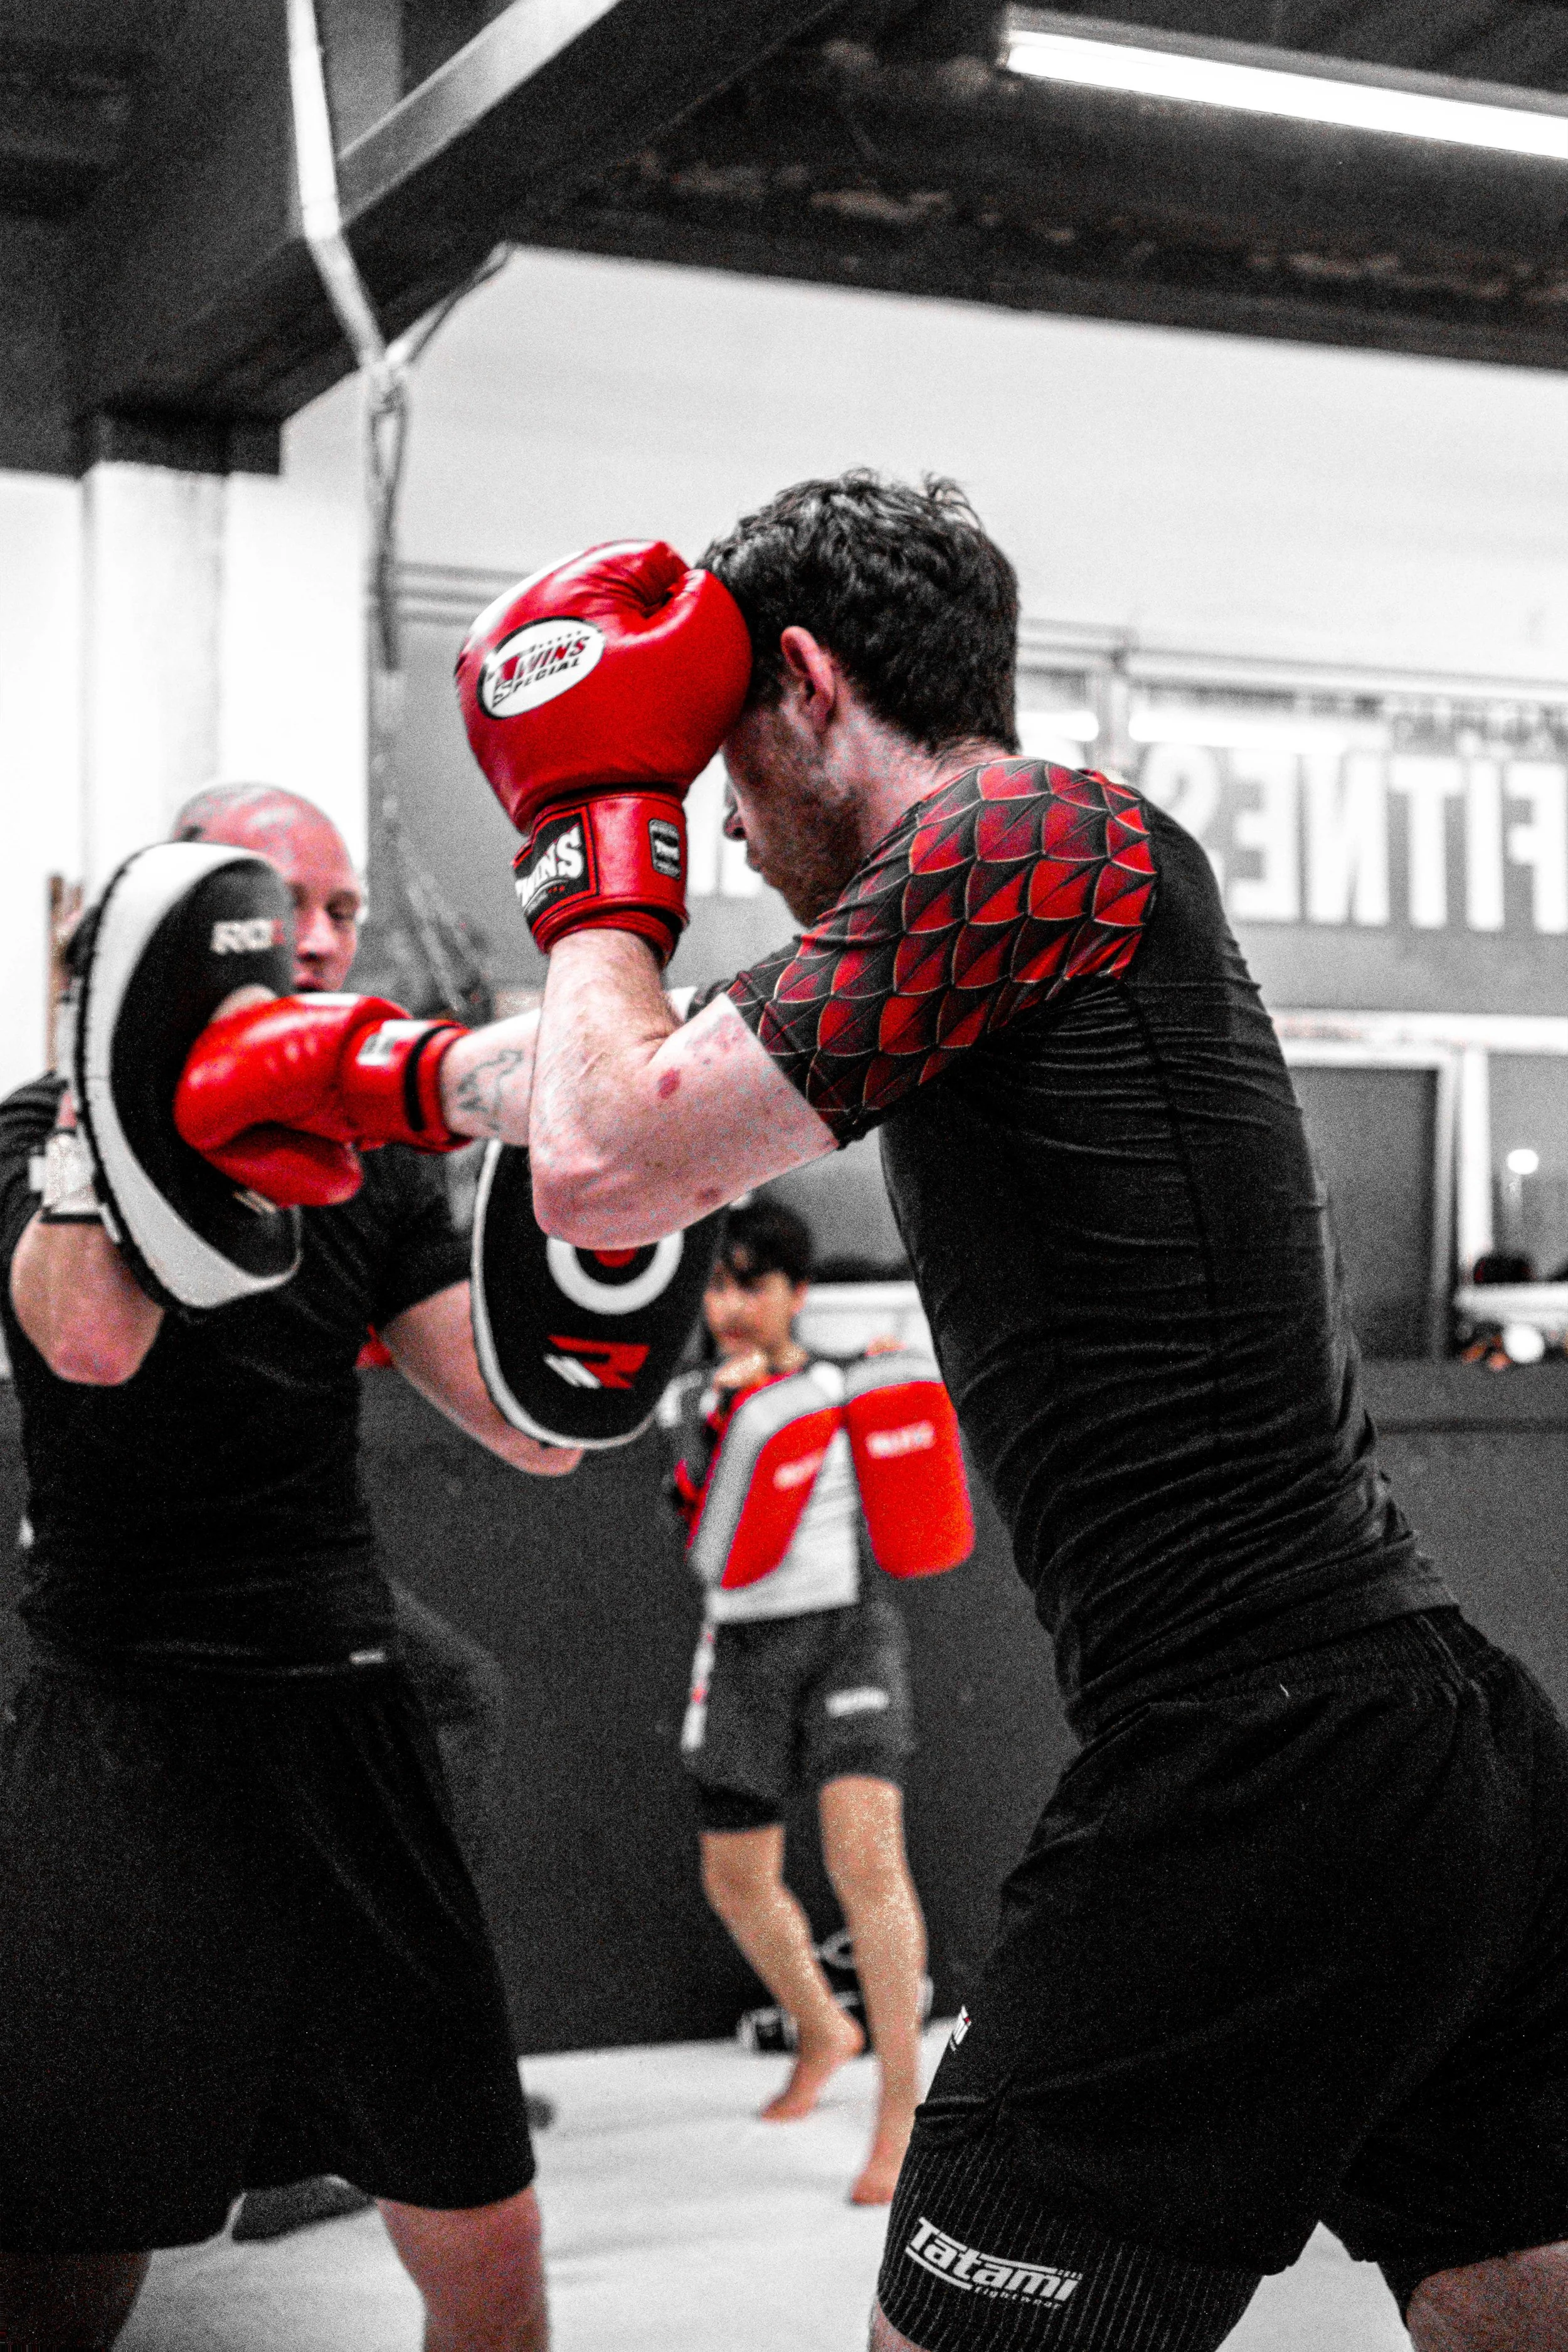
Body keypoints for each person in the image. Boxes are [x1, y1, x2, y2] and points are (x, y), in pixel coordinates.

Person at [175, 484, 1568, 2351]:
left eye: (719, 770)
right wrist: (373, 1073)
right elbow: (623, 1088)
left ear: (807, 684)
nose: (726, 834)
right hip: (1422, 1743)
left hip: (1260, 1751)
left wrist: (597, 848)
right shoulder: (1005, 893)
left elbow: (613, 1155)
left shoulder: (1025, 837)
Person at [0, 781, 576, 2349]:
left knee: (490, 2243)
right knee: (64, 2261)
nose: (317, 943)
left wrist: (610, 1224)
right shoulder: (27, 1133)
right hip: (125, 1726)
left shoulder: (373, 1158)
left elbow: (525, 1428)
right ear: (182, 936)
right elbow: (89, 1341)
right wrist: (100, 1117)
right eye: (281, 911)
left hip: (337, 1706)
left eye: (337, 912)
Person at [662, 1198, 926, 2206]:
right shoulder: (692, 1397)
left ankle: (902, 2110)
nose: (730, 1303)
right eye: (717, 1283)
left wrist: (875, 1366)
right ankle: (823, 2026)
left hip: (850, 1631)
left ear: (794, 1292)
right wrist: (725, 1416)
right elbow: (691, 1535)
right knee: (736, 1877)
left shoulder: (844, 1380)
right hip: (740, 1641)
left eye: (751, 1282)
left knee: (868, 1859)